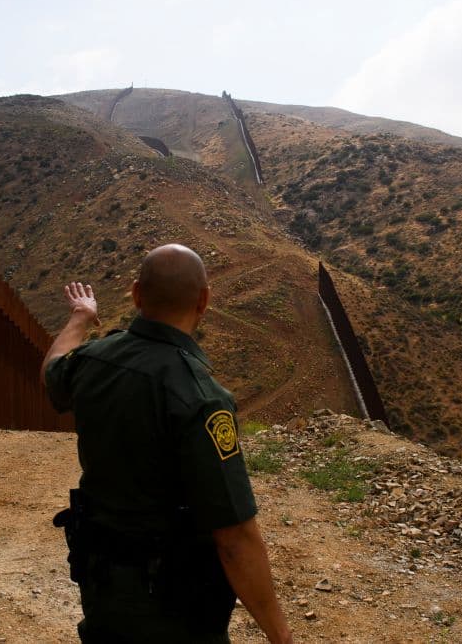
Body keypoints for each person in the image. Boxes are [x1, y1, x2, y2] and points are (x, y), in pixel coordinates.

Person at [42, 243, 293, 644]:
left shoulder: (92, 360)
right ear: (204, 301)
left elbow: (53, 371)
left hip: (101, 584)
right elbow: (234, 538)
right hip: (174, 605)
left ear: (136, 294)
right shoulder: (201, 398)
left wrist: (80, 317)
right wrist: (281, 636)